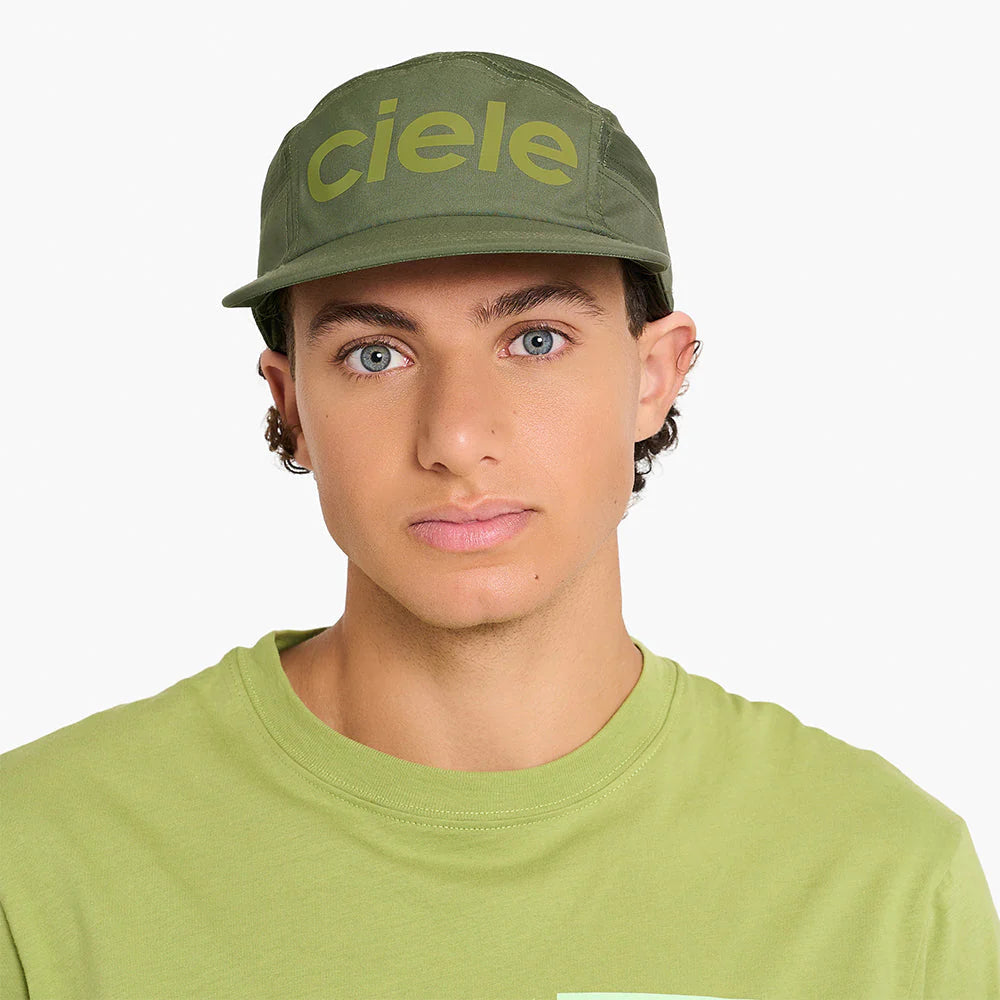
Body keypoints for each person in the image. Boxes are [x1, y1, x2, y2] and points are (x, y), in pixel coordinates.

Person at [1, 49, 997, 1000]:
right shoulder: (39, 864)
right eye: (375, 354)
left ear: (654, 376)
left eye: (536, 339)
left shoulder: (881, 880)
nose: (456, 436)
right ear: (290, 401)